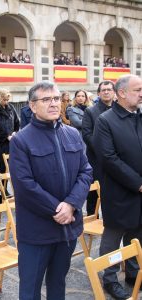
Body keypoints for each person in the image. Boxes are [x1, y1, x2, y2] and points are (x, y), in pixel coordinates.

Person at [10, 81, 92, 300]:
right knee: (30, 289)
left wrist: (72, 204)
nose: (54, 103)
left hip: (68, 228)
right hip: (37, 231)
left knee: (58, 285)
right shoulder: (21, 140)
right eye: (46, 99)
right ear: (32, 106)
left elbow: (85, 171)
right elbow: (24, 185)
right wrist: (58, 209)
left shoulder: (73, 134)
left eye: (56, 98)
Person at [94, 74, 142, 300]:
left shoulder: (140, 116)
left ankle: (134, 274)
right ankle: (110, 279)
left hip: (140, 194)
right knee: (113, 240)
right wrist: (138, 183)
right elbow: (108, 158)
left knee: (137, 235)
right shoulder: (105, 120)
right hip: (120, 192)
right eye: (137, 89)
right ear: (122, 93)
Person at [82, 81, 115, 215]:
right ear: (98, 93)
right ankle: (91, 218)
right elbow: (87, 134)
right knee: (94, 193)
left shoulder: (119, 110)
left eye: (109, 90)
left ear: (114, 92)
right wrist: (104, 150)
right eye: (103, 90)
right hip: (97, 159)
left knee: (113, 192)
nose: (106, 92)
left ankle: (112, 220)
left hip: (116, 159)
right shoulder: (90, 111)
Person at [0, 89, 19, 173]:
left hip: (11, 144)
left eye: (7, 100)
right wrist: (6, 136)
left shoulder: (11, 108)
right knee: (0, 170)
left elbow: (17, 122)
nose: (6, 102)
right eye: (4, 100)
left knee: (12, 170)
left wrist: (15, 132)